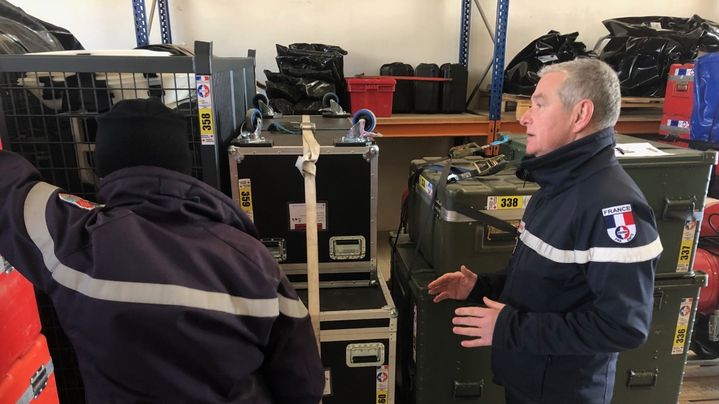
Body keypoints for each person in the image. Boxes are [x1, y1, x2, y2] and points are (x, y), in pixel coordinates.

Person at [0, 98, 324, 403]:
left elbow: (10, 193)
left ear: (102, 164)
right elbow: (303, 381)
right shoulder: (251, 259)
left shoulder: (75, 241)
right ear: (183, 164)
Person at [428, 58, 663, 404]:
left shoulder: (613, 207)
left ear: (580, 115)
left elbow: (623, 326)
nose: (525, 117)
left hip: (564, 392)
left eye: (539, 104)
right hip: (527, 379)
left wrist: (507, 327)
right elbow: (544, 280)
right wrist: (480, 286)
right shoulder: (555, 188)